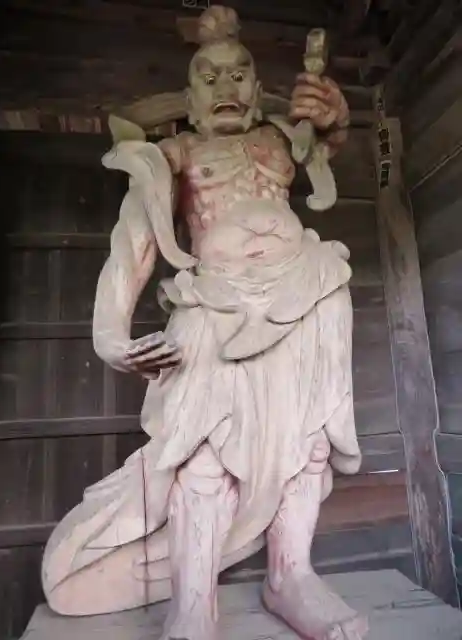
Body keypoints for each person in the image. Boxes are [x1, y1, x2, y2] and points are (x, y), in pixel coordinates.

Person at [42, 6, 367, 640]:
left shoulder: (279, 140)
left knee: (308, 442)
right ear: (189, 100)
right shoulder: (176, 153)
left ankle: (291, 575)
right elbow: (132, 247)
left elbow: (326, 140)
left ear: (258, 89)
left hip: (309, 292)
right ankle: (193, 605)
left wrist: (337, 116)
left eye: (239, 73)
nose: (226, 86)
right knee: (202, 453)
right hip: (215, 305)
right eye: (209, 76)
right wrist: (109, 337)